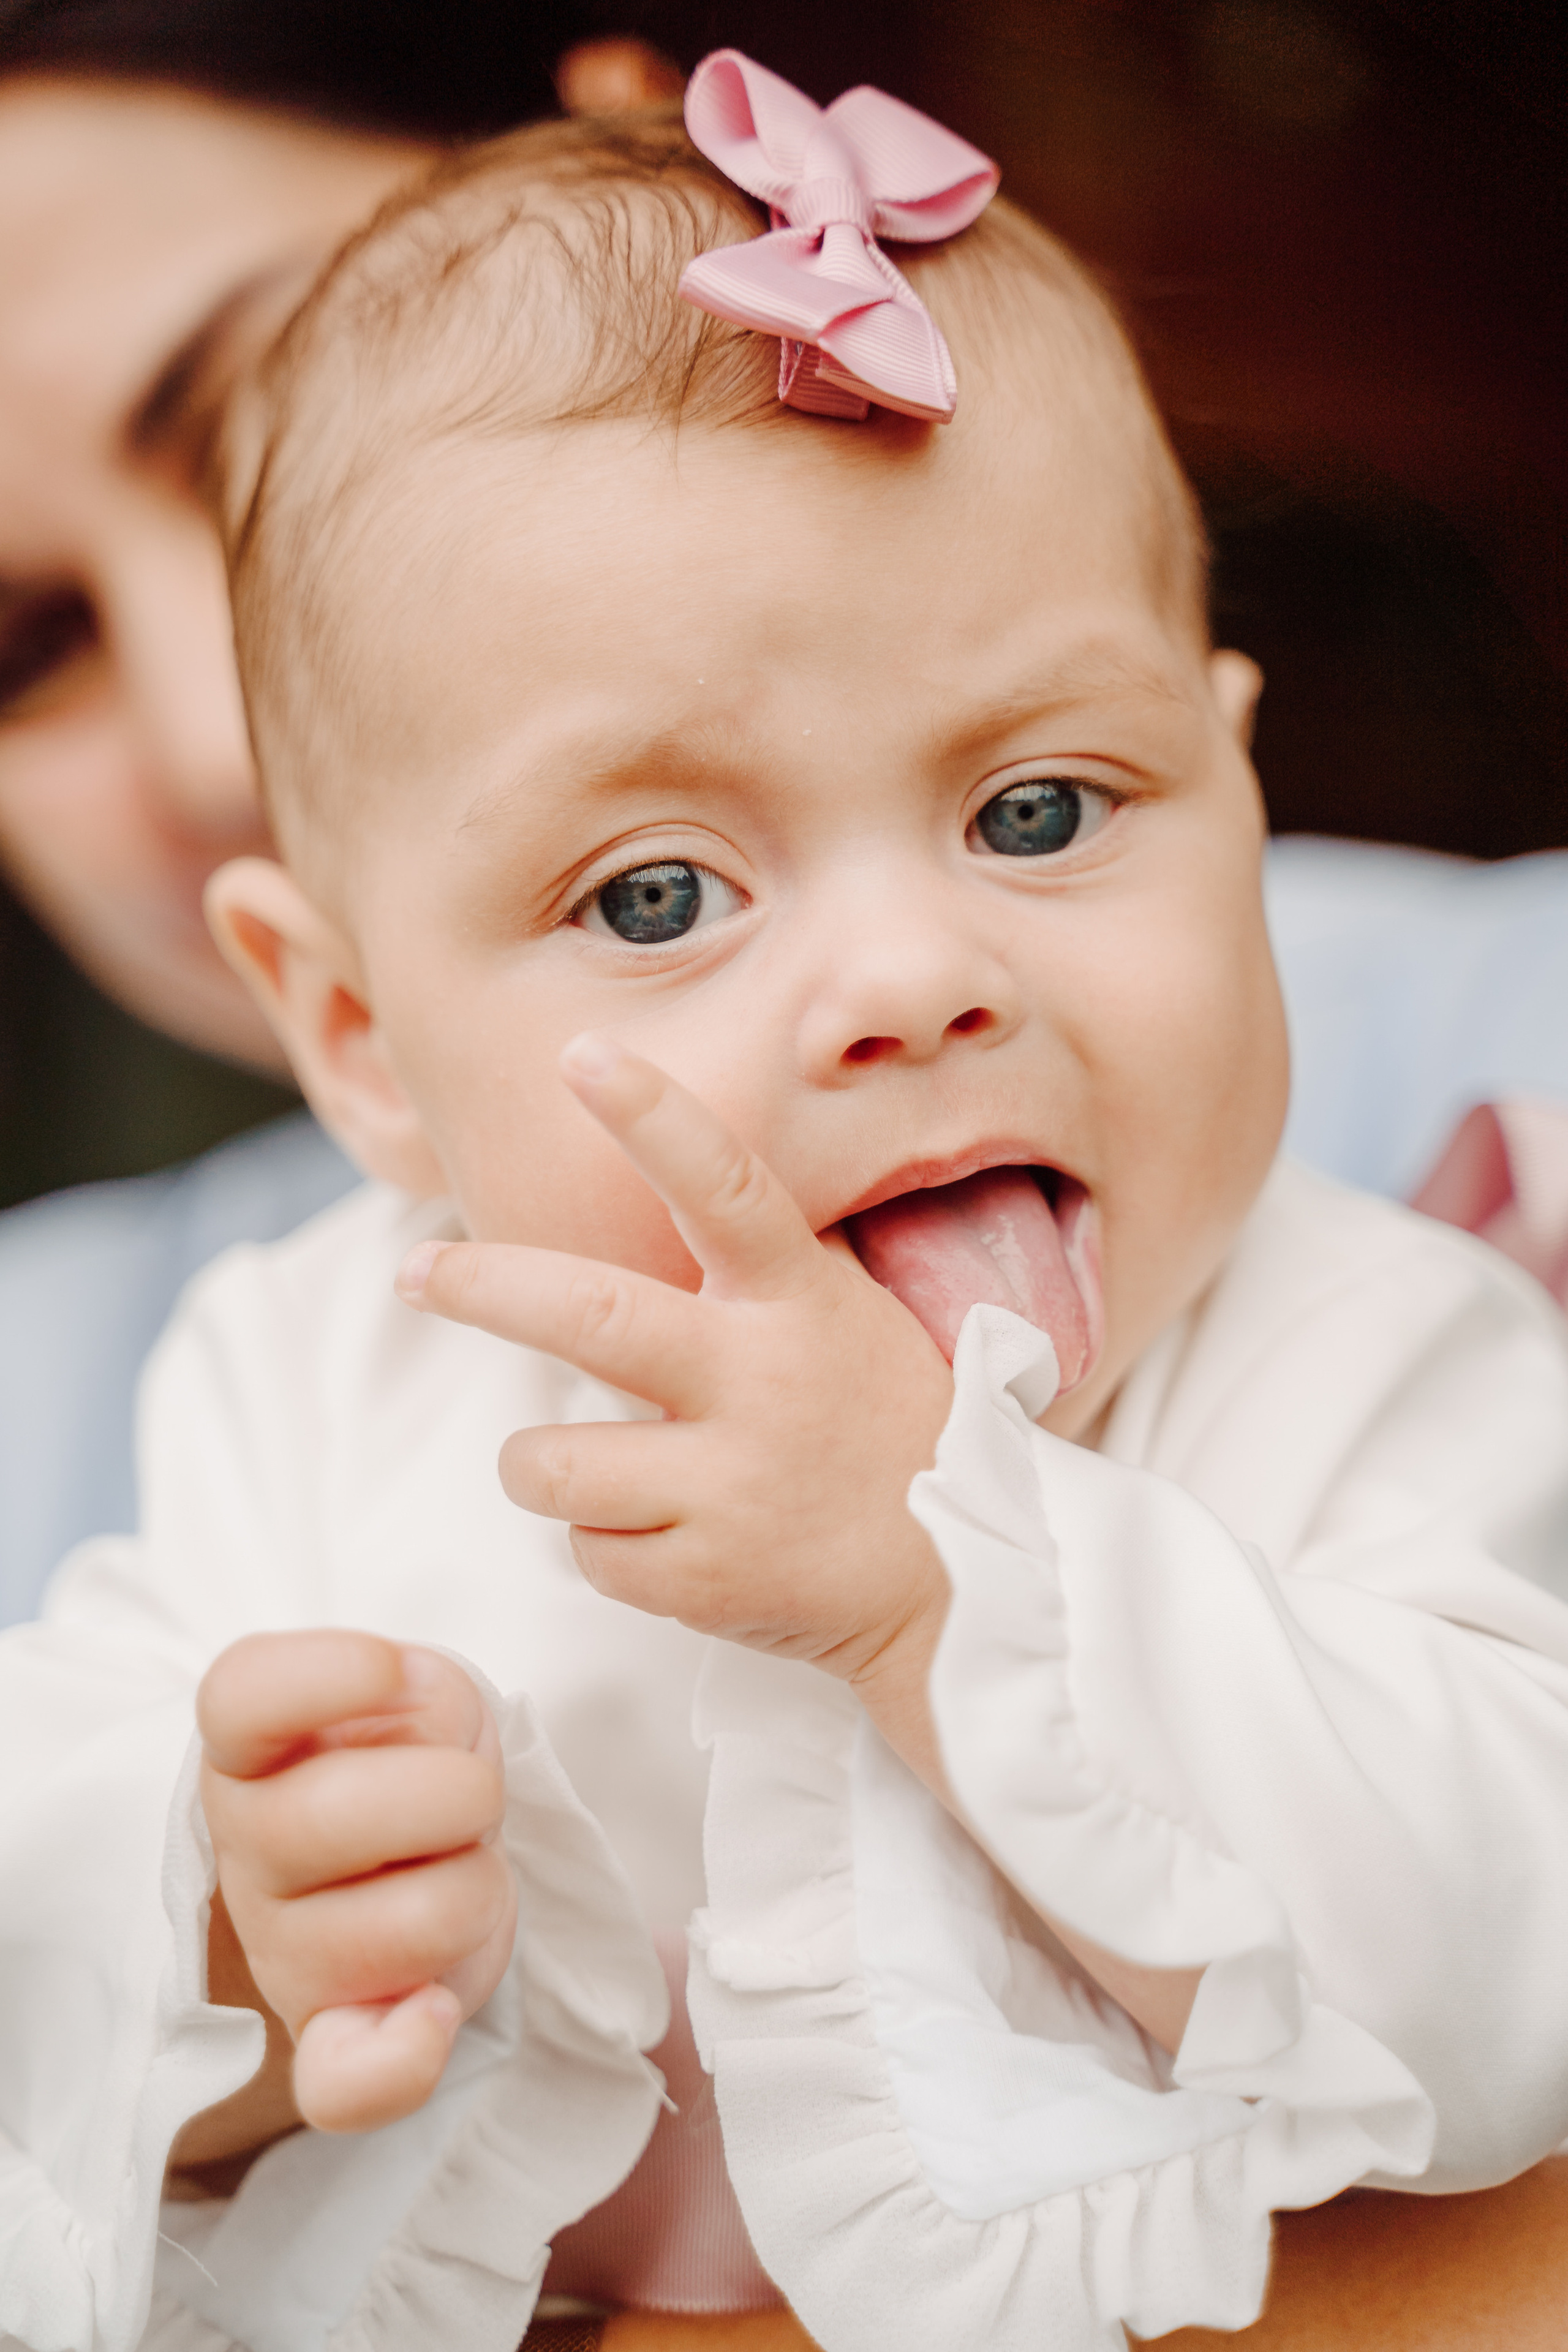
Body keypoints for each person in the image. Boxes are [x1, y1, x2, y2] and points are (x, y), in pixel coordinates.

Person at [3, 55, 1568, 2351]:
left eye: (1039, 814)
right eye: (657, 891)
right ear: (354, 1036)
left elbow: (1512, 1956)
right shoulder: (311, 1375)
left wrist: (959, 1598)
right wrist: (224, 1934)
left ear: (1239, 781)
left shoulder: (1369, 1345)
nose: (916, 984)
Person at [0, 1, 683, 1620]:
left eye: (268, 425)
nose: (213, 743)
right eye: (21, 654)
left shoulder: (1404, 1115)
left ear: (661, 162)